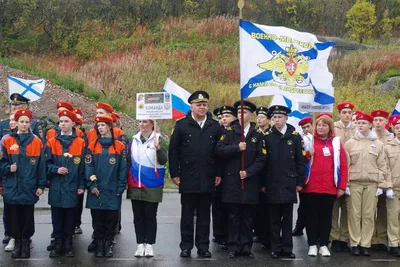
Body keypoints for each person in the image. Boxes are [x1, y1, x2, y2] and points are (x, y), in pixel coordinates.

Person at [168, 90, 222, 258]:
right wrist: (175, 173)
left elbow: (219, 152)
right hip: (187, 177)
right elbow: (173, 150)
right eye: (198, 104)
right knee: (187, 215)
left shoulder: (215, 126)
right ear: (191, 106)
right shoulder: (181, 125)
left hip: (208, 176)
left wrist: (218, 173)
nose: (202, 107)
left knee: (204, 216)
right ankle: (186, 246)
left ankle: (203, 247)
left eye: (204, 104)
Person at [216, 100, 267, 258]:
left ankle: (246, 247)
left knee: (247, 216)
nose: (241, 115)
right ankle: (234, 246)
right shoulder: (229, 132)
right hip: (232, 181)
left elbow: (262, 158)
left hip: (249, 181)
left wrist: (249, 172)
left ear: (250, 114)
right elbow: (219, 150)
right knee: (234, 215)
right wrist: (236, 148)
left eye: (244, 112)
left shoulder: (257, 135)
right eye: (238, 112)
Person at [0, 109, 46, 259]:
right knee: (13, 216)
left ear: (30, 123)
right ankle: (17, 241)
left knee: (27, 216)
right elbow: (1, 163)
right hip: (12, 186)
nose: (24, 124)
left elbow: (41, 166)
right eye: (22, 121)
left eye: (27, 122)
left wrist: (41, 185)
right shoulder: (7, 141)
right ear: (16, 123)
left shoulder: (36, 141)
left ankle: (25, 242)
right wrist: (8, 168)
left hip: (29, 186)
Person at [263, 105, 306, 259]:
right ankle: (275, 247)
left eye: (280, 117)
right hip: (272, 182)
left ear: (286, 118)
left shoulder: (294, 137)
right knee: (273, 218)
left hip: (289, 182)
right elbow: (263, 162)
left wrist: (300, 181)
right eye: (274, 117)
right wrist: (262, 183)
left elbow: (301, 161)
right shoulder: (267, 137)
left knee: (287, 218)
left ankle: (287, 248)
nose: (277, 120)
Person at [302, 115, 348, 257]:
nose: (321, 128)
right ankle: (312, 244)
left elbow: (343, 165)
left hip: (329, 186)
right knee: (312, 216)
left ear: (330, 128)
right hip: (311, 186)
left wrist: (341, 186)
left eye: (324, 125)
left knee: (326, 216)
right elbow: (299, 161)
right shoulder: (308, 141)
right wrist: (307, 154)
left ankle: (323, 244)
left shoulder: (335, 143)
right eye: (319, 125)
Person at [345, 113, 387, 256]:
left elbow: (382, 165)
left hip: (372, 184)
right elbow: (346, 165)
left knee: (368, 215)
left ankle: (366, 243)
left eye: (364, 123)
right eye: (358, 123)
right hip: (354, 183)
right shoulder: (350, 143)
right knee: (354, 214)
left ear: (370, 125)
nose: (360, 125)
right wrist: (345, 184)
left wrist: (381, 185)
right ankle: (355, 243)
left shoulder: (378, 144)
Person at [45, 110, 86, 258]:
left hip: (73, 186)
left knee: (70, 216)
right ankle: (57, 243)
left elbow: (83, 168)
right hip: (57, 186)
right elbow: (46, 165)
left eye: (66, 121)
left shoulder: (80, 143)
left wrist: (82, 185)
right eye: (61, 121)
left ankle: (68, 243)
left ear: (73, 124)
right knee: (56, 216)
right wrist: (56, 169)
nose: (63, 124)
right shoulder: (51, 142)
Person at [85, 115, 127, 258]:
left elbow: (123, 169)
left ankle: (108, 244)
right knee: (97, 219)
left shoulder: (120, 147)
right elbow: (88, 167)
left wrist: (121, 187)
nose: (100, 128)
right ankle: (99, 242)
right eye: (98, 125)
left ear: (110, 126)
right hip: (96, 189)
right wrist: (92, 185)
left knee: (111, 219)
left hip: (113, 189)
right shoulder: (91, 146)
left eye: (103, 125)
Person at [126, 119, 167, 257]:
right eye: (140, 122)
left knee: (150, 215)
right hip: (135, 182)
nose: (141, 124)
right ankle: (140, 244)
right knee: (138, 216)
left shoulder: (159, 140)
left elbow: (164, 160)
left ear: (152, 124)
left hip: (152, 183)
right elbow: (128, 160)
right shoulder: (134, 140)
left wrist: (158, 149)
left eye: (145, 122)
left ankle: (149, 244)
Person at [331, 101, 356, 252]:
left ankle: (345, 237)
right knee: (333, 208)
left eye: (349, 112)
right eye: (344, 112)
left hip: (352, 174)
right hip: (335, 173)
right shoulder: (333, 127)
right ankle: (334, 237)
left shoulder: (356, 128)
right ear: (339, 113)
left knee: (348, 209)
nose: (347, 115)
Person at [212, 106, 235, 250]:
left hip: (233, 173)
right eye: (220, 117)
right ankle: (219, 233)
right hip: (218, 174)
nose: (223, 119)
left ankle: (230, 235)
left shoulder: (236, 132)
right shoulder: (216, 132)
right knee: (218, 205)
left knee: (231, 207)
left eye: (226, 116)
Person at [371, 109, 393, 251]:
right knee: (371, 210)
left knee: (384, 209)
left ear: (386, 122)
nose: (378, 123)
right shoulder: (369, 136)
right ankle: (372, 238)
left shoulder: (391, 137)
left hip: (389, 178)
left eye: (381, 120)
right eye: (376, 120)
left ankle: (382, 237)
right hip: (373, 178)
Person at [292, 116, 313, 237]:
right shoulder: (302, 140)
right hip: (305, 175)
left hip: (316, 175)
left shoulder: (317, 139)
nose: (306, 129)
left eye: (308, 126)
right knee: (303, 204)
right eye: (304, 127)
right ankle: (299, 227)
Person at [253, 106, 270, 248]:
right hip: (255, 175)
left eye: (262, 117)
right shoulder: (255, 133)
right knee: (256, 208)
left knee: (266, 208)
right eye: (258, 117)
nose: (259, 119)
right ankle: (257, 231)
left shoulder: (270, 134)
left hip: (268, 174)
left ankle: (266, 235)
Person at [384, 117, 400, 257]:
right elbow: (386, 168)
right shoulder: (388, 147)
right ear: (393, 130)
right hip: (395, 188)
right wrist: (388, 186)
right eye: (397, 128)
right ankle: (394, 244)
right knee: (393, 217)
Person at [1, 113, 17, 252]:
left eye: (14, 120)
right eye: (10, 120)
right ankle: (10, 234)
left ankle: (21, 237)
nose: (11, 122)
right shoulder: (5, 139)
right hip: (7, 180)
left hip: (22, 181)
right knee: (8, 210)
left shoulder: (31, 139)